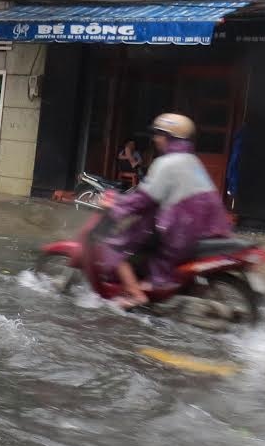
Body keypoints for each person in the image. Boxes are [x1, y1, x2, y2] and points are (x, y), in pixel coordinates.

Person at [98, 113, 233, 309]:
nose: (155, 139)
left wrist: (116, 205)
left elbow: (144, 199)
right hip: (209, 228)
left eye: (159, 134)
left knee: (116, 245)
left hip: (181, 231)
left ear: (169, 137)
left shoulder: (166, 163)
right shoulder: (192, 160)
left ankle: (136, 294)